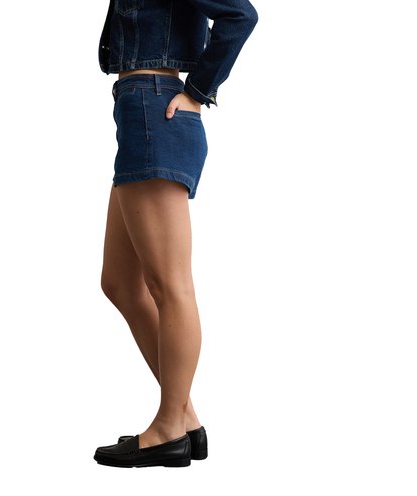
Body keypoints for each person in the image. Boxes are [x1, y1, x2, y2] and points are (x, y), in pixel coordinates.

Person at [93, 0, 258, 468]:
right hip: (139, 109)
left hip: (155, 108)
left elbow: (241, 15)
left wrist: (199, 90)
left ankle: (168, 428)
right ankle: (184, 417)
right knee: (120, 283)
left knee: (170, 286)